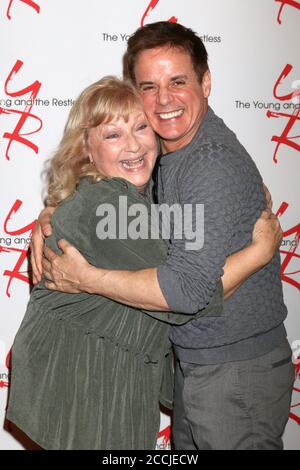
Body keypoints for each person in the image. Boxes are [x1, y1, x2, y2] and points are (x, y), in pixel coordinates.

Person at [30, 23, 293, 450]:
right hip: (193, 369)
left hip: (235, 371)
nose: (164, 100)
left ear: (205, 82)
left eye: (178, 82)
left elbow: (186, 291)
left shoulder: (207, 165)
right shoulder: (162, 162)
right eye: (149, 86)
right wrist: (56, 213)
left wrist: (85, 277)